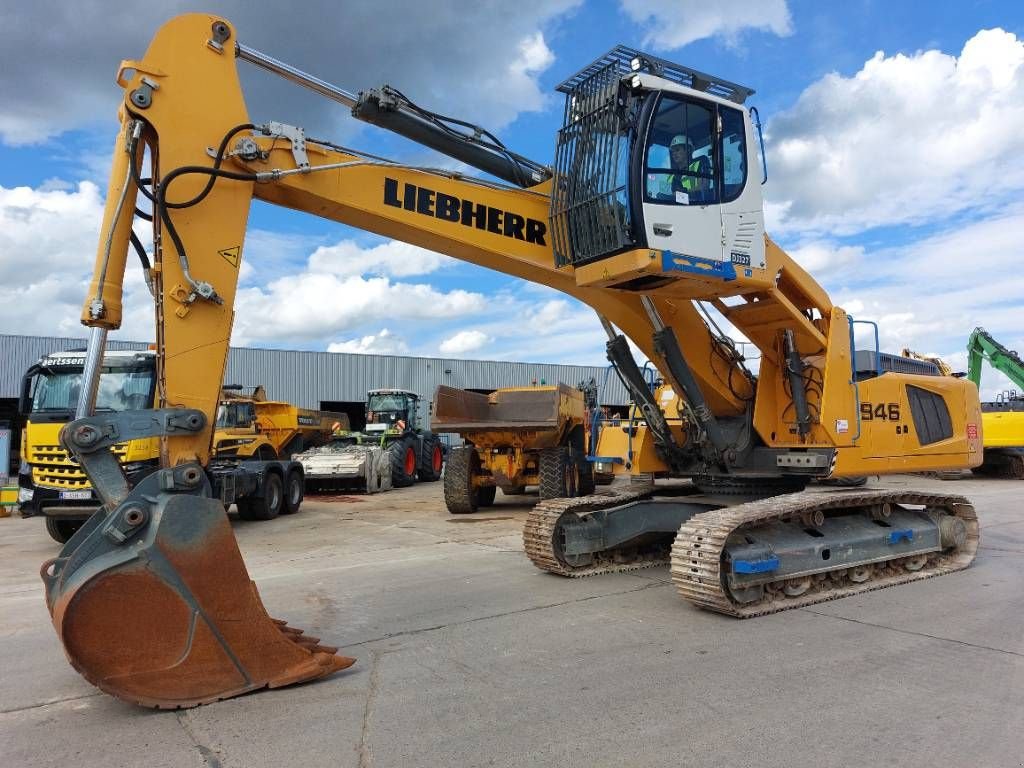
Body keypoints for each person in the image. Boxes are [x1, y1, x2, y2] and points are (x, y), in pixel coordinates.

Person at [652, 134, 711, 201]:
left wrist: (682, 193)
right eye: (672, 151)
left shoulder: (700, 163)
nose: (674, 154)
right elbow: (669, 194)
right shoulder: (671, 176)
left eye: (677, 150)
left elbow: (704, 187)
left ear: (688, 150)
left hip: (697, 205)